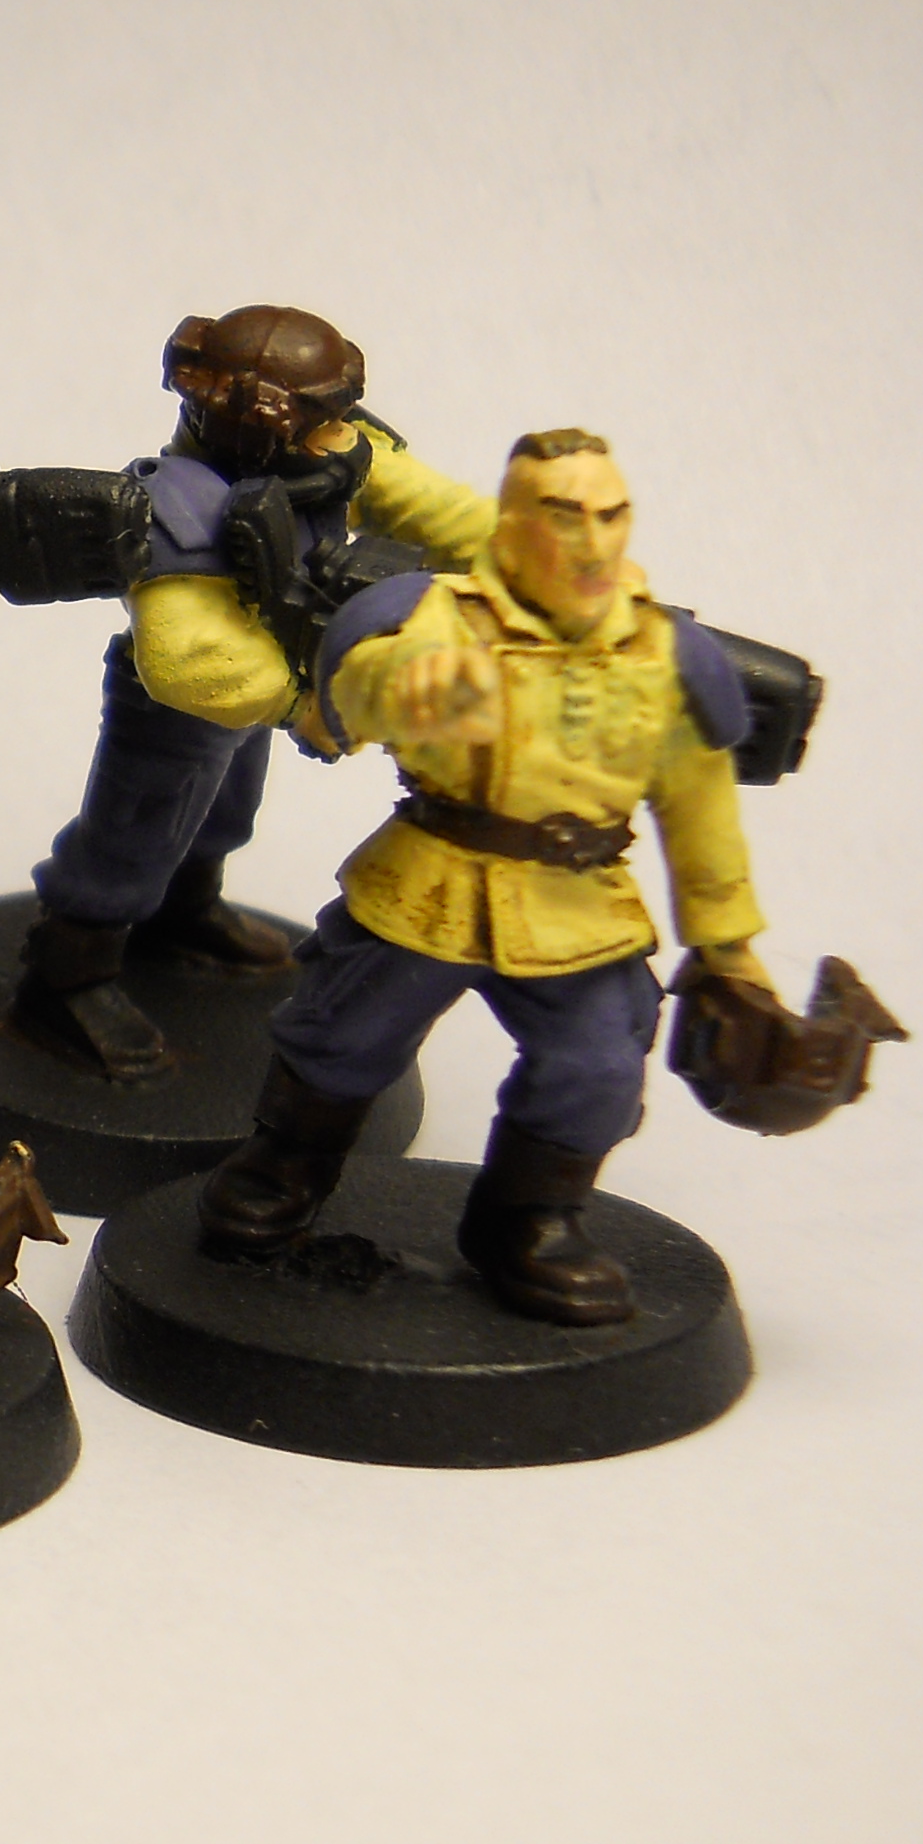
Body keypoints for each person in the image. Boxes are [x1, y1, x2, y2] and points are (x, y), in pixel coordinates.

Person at [198, 431, 768, 1322]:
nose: (593, 542)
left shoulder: (665, 654)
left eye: (611, 515)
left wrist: (728, 947)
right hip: (432, 882)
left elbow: (700, 809)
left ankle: (530, 1219)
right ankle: (285, 1166)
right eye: (564, 516)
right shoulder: (435, 615)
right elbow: (349, 699)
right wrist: (415, 692)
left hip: (576, 905)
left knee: (597, 1064)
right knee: (343, 1032)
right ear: (510, 526)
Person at [17, 307, 496, 1078]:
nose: (340, 435)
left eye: (337, 415)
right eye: (320, 420)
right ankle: (67, 972)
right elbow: (186, 660)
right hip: (180, 706)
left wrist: (533, 560)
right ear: (258, 424)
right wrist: (303, 705)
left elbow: (437, 509)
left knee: (224, 812)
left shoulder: (323, 457)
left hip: (270, 681)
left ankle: (186, 911)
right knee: (133, 839)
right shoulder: (177, 505)